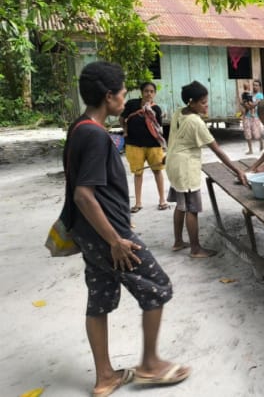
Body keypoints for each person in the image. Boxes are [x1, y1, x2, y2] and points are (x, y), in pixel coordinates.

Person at [64, 61, 190, 396]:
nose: (125, 97)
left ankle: (105, 376)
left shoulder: (79, 127)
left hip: (89, 234)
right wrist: (116, 240)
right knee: (158, 286)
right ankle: (150, 365)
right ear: (109, 96)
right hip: (109, 235)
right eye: (122, 92)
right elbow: (83, 194)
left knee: (100, 298)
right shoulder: (95, 135)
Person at [166, 81, 247, 258]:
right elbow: (217, 149)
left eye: (206, 101)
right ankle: (195, 249)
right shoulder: (196, 122)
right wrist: (238, 171)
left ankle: (178, 242)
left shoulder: (179, 112)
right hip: (185, 168)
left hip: (173, 163)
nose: (206, 105)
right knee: (191, 208)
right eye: (202, 102)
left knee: (181, 205)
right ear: (191, 102)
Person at [119, 82, 169, 212]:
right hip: (134, 144)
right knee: (138, 173)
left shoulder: (156, 109)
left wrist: (163, 145)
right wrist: (125, 130)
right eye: (146, 91)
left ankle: (162, 200)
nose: (149, 94)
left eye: (152, 91)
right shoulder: (132, 104)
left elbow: (158, 129)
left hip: (153, 145)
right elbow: (122, 118)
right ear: (142, 92)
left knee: (157, 171)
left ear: (154, 93)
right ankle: (138, 203)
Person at [240, 81, 264, 155]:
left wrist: (248, 105)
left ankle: (260, 141)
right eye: (254, 85)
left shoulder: (260, 95)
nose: (255, 87)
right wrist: (244, 104)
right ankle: (250, 150)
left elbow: (255, 104)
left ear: (259, 87)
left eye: (256, 85)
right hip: (246, 116)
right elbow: (243, 102)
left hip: (255, 116)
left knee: (256, 133)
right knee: (247, 132)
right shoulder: (249, 93)